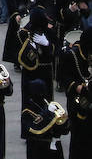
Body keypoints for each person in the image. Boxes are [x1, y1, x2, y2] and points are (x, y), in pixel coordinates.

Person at [61, 27, 92, 159]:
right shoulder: (71, 55)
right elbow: (64, 78)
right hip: (77, 99)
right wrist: (78, 87)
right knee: (79, 135)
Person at [21, 79, 70, 159]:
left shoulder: (50, 105)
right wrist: (47, 113)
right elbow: (35, 129)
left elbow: (64, 130)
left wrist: (64, 120)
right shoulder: (27, 111)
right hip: (38, 150)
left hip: (54, 148)